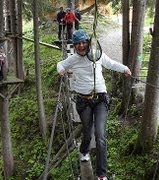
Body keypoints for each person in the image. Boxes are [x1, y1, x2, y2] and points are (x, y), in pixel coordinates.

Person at [56, 29, 131, 180]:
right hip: (83, 101)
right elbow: (60, 64)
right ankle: (84, 150)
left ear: (88, 43)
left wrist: (125, 69)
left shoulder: (97, 55)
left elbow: (111, 64)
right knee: (87, 131)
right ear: (75, 46)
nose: (81, 46)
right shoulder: (73, 59)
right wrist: (61, 70)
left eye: (84, 43)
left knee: (100, 135)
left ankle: (102, 175)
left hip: (100, 99)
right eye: (78, 44)